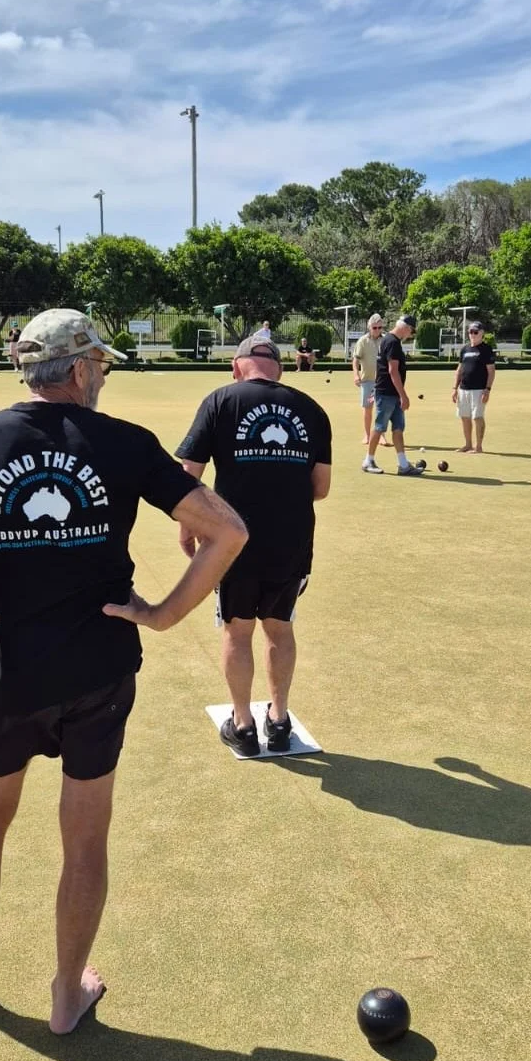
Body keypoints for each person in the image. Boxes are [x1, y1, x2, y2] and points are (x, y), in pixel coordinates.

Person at [0, 308, 247, 1032]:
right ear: (80, 368)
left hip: (13, 674)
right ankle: (66, 996)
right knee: (84, 838)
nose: (104, 379)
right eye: (103, 366)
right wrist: (162, 615)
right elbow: (229, 530)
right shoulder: (125, 442)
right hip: (102, 672)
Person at [176, 334, 332, 757]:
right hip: (291, 540)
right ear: (278, 369)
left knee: (237, 629)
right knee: (280, 628)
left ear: (237, 366)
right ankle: (278, 721)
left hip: (233, 541)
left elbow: (188, 475)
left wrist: (189, 525)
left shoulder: (220, 400)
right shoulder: (311, 409)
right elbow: (321, 489)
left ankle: (243, 725)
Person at [363, 314, 421, 476]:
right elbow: (392, 371)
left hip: (390, 392)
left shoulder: (388, 340)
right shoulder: (392, 342)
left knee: (398, 428)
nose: (410, 335)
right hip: (388, 393)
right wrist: (403, 396)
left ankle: (403, 465)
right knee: (380, 427)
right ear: (406, 327)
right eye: (411, 331)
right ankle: (368, 461)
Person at [452, 322, 497, 453]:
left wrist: (487, 389)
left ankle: (478, 447)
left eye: (475, 332)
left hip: (479, 390)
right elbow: (459, 369)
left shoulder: (486, 349)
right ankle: (468, 445)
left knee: (477, 417)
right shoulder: (465, 349)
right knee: (464, 417)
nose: (472, 334)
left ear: (482, 333)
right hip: (463, 389)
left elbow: (491, 371)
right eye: (470, 332)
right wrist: (454, 388)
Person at [352, 314, 384, 444]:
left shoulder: (385, 340)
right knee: (368, 408)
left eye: (380, 327)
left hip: (382, 381)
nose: (377, 330)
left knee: (382, 409)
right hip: (368, 381)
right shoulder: (362, 341)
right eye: (374, 327)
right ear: (369, 327)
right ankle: (367, 435)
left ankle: (381, 436)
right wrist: (356, 374)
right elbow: (355, 360)